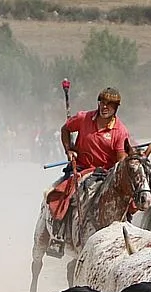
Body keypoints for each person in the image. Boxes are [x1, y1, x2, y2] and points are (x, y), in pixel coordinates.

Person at [49, 87, 131, 248]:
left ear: (116, 108)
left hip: (106, 174)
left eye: (110, 104)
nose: (105, 106)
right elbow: (65, 129)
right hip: (81, 168)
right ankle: (58, 234)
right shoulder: (83, 118)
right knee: (64, 194)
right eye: (102, 102)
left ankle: (124, 237)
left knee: (127, 202)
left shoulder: (121, 132)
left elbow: (121, 162)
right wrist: (69, 149)